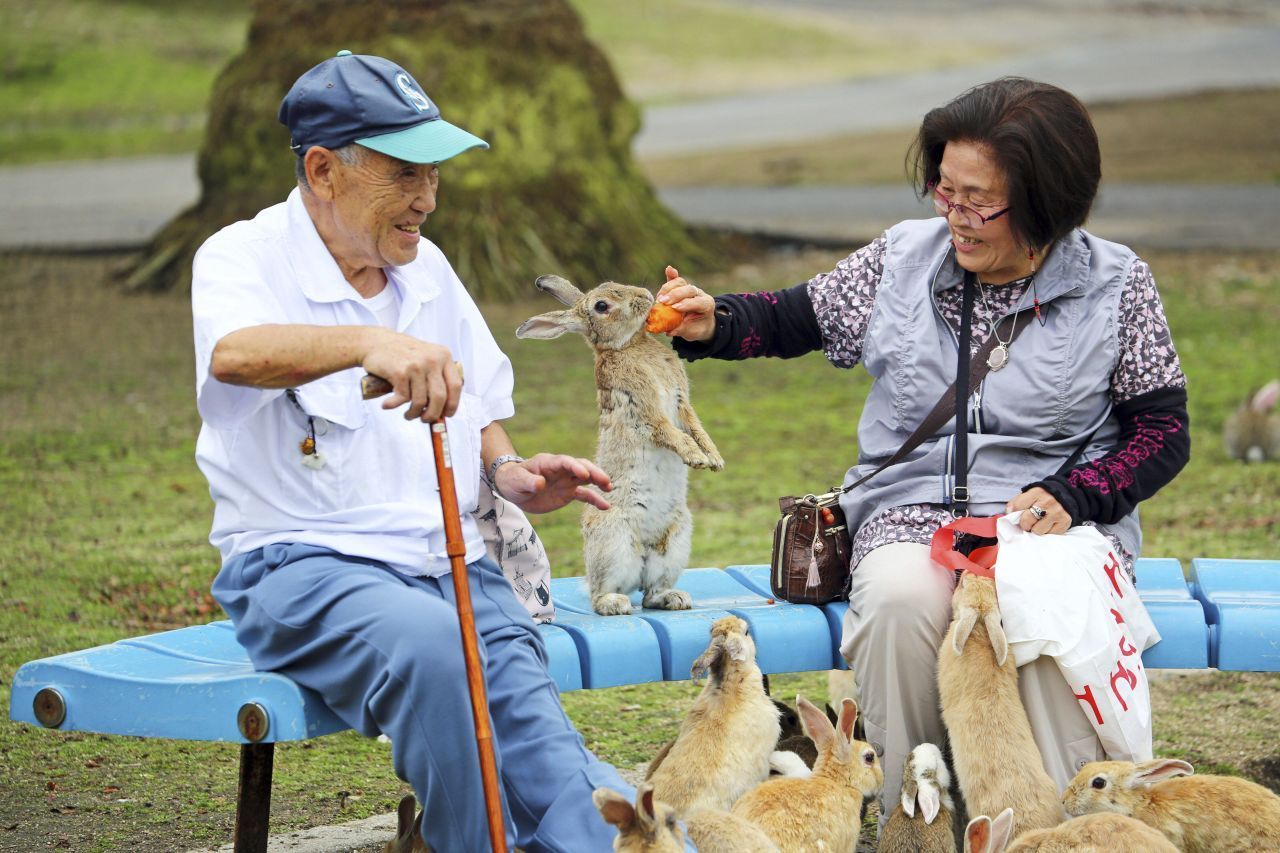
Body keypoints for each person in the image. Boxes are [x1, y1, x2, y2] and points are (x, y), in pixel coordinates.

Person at [656, 77, 1190, 818]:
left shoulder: (1118, 285)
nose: (957, 218)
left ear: (1047, 205)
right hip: (909, 513)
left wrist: (1078, 495)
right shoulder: (904, 258)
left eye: (980, 201)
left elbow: (1163, 430)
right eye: (945, 192)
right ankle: (922, 817)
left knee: (1035, 616)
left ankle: (1071, 827)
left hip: (1049, 527)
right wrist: (713, 322)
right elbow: (793, 316)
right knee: (903, 601)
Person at [191, 51, 650, 852]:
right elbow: (234, 353)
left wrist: (510, 473)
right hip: (302, 567)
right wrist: (369, 341)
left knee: (557, 766)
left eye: (434, 175)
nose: (427, 199)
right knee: (442, 657)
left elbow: (478, 410)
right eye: (406, 173)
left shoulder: (427, 270)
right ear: (324, 168)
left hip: (454, 566)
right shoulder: (241, 256)